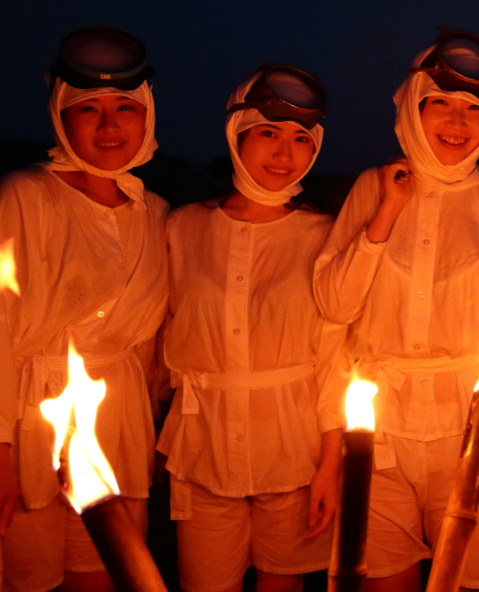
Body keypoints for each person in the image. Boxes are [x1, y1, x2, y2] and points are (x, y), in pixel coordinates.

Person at [313, 31, 479, 592]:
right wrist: (387, 212)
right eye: (441, 103)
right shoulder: (373, 186)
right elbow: (333, 309)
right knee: (382, 576)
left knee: (468, 576)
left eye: (474, 110)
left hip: (472, 428)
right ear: (412, 106)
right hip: (379, 424)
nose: (457, 123)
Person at [156, 64, 345, 592]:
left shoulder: (323, 235)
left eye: (301, 140)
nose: (285, 155)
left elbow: (334, 359)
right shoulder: (183, 227)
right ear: (236, 135)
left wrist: (330, 465)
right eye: (268, 134)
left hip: (294, 452)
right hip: (202, 448)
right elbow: (159, 331)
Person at [0, 26, 169, 592]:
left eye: (125, 107)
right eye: (87, 110)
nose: (109, 125)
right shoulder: (26, 196)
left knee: (103, 572)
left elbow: (148, 346)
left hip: (118, 421)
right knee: (30, 575)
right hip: (30, 421)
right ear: (59, 115)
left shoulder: (155, 212)